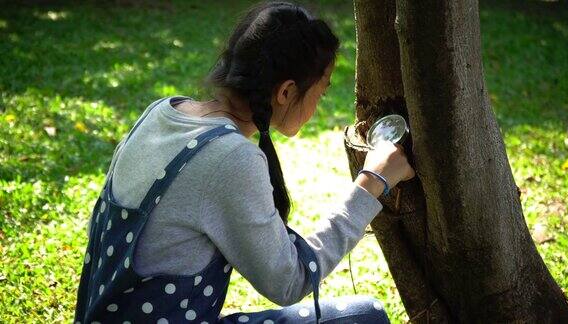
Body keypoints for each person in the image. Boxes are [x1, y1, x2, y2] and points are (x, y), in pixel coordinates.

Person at [73, 1, 415, 323]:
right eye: (321, 91)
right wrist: (372, 180)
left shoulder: (162, 112)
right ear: (285, 92)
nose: (320, 103)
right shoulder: (230, 156)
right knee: (363, 316)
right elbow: (290, 280)